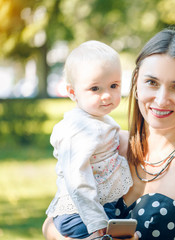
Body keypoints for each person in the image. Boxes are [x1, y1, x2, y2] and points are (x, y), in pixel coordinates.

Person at [43, 29, 175, 240]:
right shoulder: (111, 145)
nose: (161, 99)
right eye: (152, 82)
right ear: (136, 83)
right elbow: (53, 220)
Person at [45, 40, 133, 239]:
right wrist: (95, 220)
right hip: (80, 214)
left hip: (98, 208)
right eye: (95, 89)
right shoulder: (78, 129)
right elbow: (77, 177)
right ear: (72, 92)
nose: (107, 96)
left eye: (113, 85)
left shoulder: (97, 120)